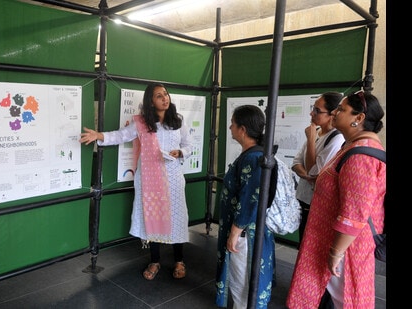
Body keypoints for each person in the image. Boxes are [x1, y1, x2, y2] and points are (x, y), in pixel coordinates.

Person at [79, 83, 193, 280]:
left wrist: (180, 152)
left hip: (173, 178)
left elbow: (189, 145)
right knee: (153, 218)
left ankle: (179, 260)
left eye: (165, 94)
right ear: (151, 101)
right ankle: (155, 260)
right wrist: (99, 135)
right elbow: (120, 135)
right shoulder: (142, 123)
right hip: (150, 181)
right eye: (159, 96)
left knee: (177, 218)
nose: (165, 98)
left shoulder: (178, 121)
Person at [286, 90, 386, 309]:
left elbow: (355, 213)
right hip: (334, 242)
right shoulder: (353, 148)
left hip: (347, 249)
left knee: (348, 300)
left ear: (358, 118)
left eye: (341, 109)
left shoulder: (362, 156)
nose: (335, 113)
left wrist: (336, 253)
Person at [215, 105, 274, 309]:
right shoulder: (254, 155)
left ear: (242, 129)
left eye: (232, 123)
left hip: (245, 235)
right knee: (243, 278)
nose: (230, 127)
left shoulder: (252, 158)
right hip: (247, 232)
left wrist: (234, 232)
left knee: (242, 281)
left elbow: (250, 199)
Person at [292, 91, 344, 246]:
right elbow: (296, 163)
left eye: (316, 110)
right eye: (312, 108)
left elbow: (313, 170)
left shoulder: (336, 138)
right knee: (303, 244)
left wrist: (310, 140)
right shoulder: (317, 132)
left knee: (310, 245)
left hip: (316, 203)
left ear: (332, 114)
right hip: (303, 198)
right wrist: (307, 175)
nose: (311, 113)